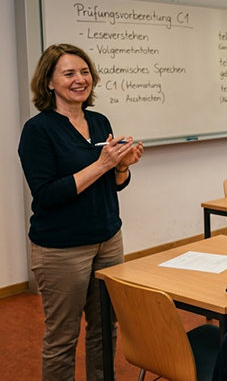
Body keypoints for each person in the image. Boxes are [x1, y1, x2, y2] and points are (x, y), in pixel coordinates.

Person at [18, 44, 144, 380]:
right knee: (62, 337)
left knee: (105, 327)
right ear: (49, 82)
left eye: (84, 71)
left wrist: (121, 167)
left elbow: (113, 184)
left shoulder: (99, 120)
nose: (80, 79)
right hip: (61, 249)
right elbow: (46, 195)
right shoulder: (38, 130)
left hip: (108, 240)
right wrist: (102, 164)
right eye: (69, 73)